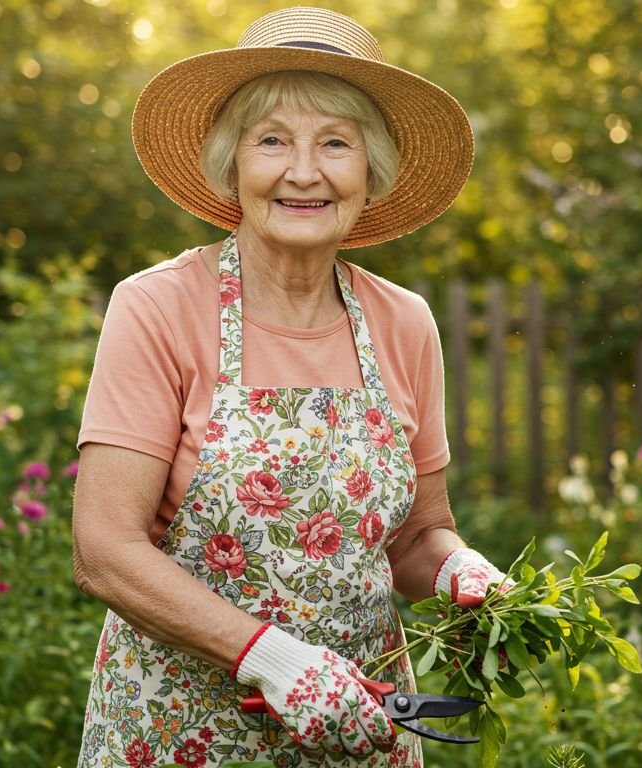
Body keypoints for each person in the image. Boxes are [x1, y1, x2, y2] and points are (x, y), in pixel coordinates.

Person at [72, 7, 510, 767]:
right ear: (231, 164)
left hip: (361, 732)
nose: (303, 172)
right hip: (177, 733)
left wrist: (460, 571)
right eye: (272, 140)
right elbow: (104, 549)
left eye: (334, 144)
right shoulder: (158, 307)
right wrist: (273, 659)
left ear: (368, 172)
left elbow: (416, 538)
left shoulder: (404, 323)